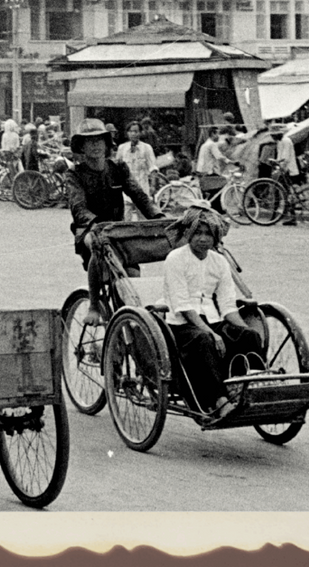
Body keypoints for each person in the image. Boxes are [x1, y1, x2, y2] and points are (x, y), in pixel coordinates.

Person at [162, 202, 263, 418]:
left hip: (213, 320)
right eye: (197, 232)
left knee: (249, 336)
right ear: (188, 233)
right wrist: (211, 333)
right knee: (204, 340)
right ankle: (219, 399)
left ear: (215, 237)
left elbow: (228, 305)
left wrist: (244, 331)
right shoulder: (176, 259)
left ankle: (249, 389)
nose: (202, 238)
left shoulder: (219, 262)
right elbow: (183, 306)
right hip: (182, 325)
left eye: (208, 234)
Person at [64, 118, 161, 324]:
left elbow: (138, 195)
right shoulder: (75, 173)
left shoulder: (117, 167)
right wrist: (95, 224)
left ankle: (129, 317)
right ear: (81, 146)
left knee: (132, 274)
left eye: (100, 140)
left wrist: (158, 216)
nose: (96, 145)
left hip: (118, 229)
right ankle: (93, 305)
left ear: (107, 143)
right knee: (98, 245)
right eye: (90, 142)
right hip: (89, 230)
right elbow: (78, 208)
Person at [116, 121, 159, 219]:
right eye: (131, 131)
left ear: (140, 133)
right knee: (124, 220)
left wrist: (153, 186)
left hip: (142, 189)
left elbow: (153, 168)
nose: (133, 134)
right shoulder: (122, 148)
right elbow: (116, 169)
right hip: (125, 192)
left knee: (144, 219)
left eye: (136, 131)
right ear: (127, 133)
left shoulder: (146, 148)